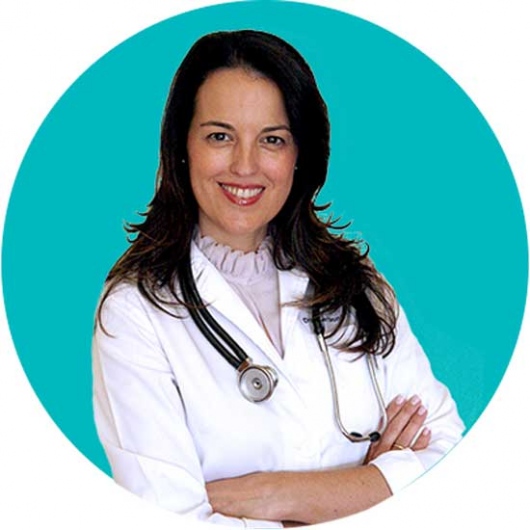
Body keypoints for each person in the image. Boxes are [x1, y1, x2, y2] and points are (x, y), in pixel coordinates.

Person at [92, 29, 464, 527]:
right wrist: (369, 488)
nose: (245, 165)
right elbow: (172, 515)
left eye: (272, 139)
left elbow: (450, 458)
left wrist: (273, 495)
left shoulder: (356, 284)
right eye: (220, 136)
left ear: (299, 155)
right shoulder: (136, 311)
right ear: (182, 146)